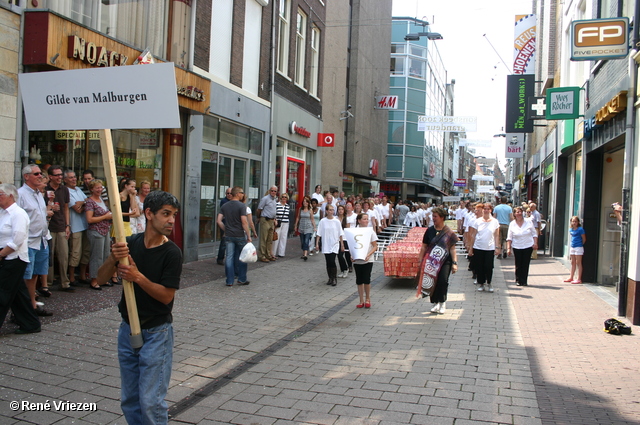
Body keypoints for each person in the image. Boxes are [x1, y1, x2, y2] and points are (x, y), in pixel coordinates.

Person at [97, 190, 182, 425]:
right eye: (166, 214)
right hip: (128, 330)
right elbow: (101, 279)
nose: (171, 220)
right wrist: (113, 258)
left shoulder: (172, 253)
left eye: (174, 215)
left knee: (151, 400)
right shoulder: (131, 243)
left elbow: (166, 296)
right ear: (148, 214)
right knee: (130, 399)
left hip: (157, 333)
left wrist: (137, 277)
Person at [0, 183, 42, 334]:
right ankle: (30, 323)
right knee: (18, 293)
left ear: (11, 196)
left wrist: (1, 254)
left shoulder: (18, 214)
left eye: (0, 195)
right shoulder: (3, 213)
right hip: (6, 255)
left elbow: (17, 240)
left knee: (3, 292)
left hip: (14, 257)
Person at [18, 164, 54, 316]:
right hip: (28, 240)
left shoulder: (39, 194)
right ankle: (22, 308)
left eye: (40, 173)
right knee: (26, 274)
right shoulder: (20, 194)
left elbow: (41, 213)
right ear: (26, 176)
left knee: (35, 274)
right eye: (36, 174)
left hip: (41, 238)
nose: (40, 176)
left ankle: (31, 303)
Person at [416, 207, 458, 314]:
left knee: (443, 281)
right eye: (432, 216)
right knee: (433, 282)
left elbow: (452, 248)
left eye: (435, 216)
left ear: (442, 217)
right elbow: (424, 247)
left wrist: (454, 263)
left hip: (445, 261)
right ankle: (435, 303)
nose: (433, 218)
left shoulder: (448, 232)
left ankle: (442, 302)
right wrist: (420, 260)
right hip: (432, 261)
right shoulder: (429, 231)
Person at [45, 165, 73, 292]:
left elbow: (66, 208)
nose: (59, 177)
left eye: (61, 175)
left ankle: (64, 282)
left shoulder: (64, 189)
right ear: (50, 176)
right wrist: (49, 206)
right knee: (49, 255)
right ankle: (48, 283)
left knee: (64, 255)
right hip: (49, 227)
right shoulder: (45, 189)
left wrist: (67, 225)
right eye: (57, 175)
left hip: (61, 225)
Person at [217, 186, 252, 287]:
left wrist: (225, 229)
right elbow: (244, 222)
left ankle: (229, 280)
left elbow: (218, 221)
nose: (243, 194)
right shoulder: (241, 206)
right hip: (239, 235)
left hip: (229, 235)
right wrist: (248, 235)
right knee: (243, 257)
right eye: (241, 193)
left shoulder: (225, 206)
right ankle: (241, 279)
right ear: (237, 194)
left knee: (229, 257)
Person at [85, 179, 113, 290]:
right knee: (97, 257)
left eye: (101, 187)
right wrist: (105, 217)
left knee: (106, 255)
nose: (99, 189)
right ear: (91, 189)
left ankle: (103, 278)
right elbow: (89, 219)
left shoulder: (101, 199)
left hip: (105, 230)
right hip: (95, 231)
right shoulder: (90, 202)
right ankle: (94, 279)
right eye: (97, 187)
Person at [64, 169, 90, 286]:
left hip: (85, 224)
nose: (74, 179)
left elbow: (89, 202)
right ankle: (71, 277)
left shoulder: (78, 189)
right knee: (75, 252)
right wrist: (83, 204)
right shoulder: (66, 191)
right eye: (70, 177)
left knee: (86, 251)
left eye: (74, 177)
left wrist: (82, 203)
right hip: (75, 226)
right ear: (65, 180)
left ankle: (82, 275)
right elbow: (77, 209)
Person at [468, 203, 500, 292]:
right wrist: (471, 248)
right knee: (479, 266)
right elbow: (473, 235)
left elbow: (496, 235)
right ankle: (481, 283)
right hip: (478, 247)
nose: (486, 210)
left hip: (490, 247)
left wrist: (497, 247)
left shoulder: (495, 221)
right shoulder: (477, 221)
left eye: (488, 209)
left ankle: (489, 282)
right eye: (484, 209)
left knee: (489, 266)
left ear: (490, 210)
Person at [350, 212, 378, 308]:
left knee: (366, 279)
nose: (366, 221)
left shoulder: (370, 231)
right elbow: (352, 245)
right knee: (359, 280)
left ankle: (368, 298)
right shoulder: (354, 231)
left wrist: (369, 254)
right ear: (359, 220)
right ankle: (361, 300)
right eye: (364, 219)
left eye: (367, 219)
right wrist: (351, 255)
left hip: (368, 259)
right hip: (357, 258)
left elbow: (375, 246)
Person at [506, 206, 537, 286]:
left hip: (528, 245)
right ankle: (518, 280)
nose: (519, 213)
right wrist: (508, 248)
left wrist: (535, 243)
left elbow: (534, 233)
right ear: (514, 214)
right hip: (517, 246)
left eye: (520, 212)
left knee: (525, 264)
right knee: (518, 264)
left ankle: (524, 280)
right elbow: (509, 237)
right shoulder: (512, 224)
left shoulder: (528, 222)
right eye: (517, 212)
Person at [316, 204, 344, 286]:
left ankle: (334, 278)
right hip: (326, 243)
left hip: (334, 243)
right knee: (328, 261)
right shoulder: (323, 221)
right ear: (327, 211)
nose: (332, 211)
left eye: (333, 210)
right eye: (330, 210)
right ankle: (330, 278)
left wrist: (342, 244)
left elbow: (340, 233)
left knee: (332, 260)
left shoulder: (336, 221)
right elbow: (319, 233)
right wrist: (317, 243)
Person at [256, 186, 278, 262]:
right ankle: (261, 255)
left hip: (272, 220)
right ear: (269, 191)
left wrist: (275, 219)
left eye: (275, 191)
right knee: (263, 239)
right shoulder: (265, 199)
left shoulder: (275, 199)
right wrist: (259, 217)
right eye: (272, 191)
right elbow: (259, 209)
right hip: (265, 219)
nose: (273, 192)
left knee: (269, 239)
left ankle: (268, 254)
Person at [565, 216, 586, 284]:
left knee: (578, 262)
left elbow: (584, 239)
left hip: (578, 247)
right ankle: (571, 277)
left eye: (575, 221)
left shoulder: (580, 229)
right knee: (572, 262)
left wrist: (580, 244)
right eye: (573, 221)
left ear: (578, 222)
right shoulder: (570, 229)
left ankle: (579, 278)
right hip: (572, 246)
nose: (574, 223)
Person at [294, 196, 315, 261]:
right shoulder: (300, 209)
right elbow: (298, 217)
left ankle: (305, 254)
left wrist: (314, 227)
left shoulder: (310, 210)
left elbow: (312, 219)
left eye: (306, 202)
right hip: (301, 227)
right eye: (304, 201)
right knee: (302, 241)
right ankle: (304, 253)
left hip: (308, 227)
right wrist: (295, 225)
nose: (305, 203)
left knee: (306, 241)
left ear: (308, 203)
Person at [216, 188, 233, 265]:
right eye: (227, 193)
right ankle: (220, 258)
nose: (229, 195)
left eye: (230, 193)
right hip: (225, 222)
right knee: (224, 241)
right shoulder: (224, 201)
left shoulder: (234, 201)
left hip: (231, 223)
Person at [272, 192, 291, 258]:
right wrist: (275, 220)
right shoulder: (277, 205)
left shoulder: (287, 206)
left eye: (285, 197)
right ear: (280, 197)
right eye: (283, 197)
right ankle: (273, 253)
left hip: (285, 223)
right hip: (278, 223)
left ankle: (281, 253)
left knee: (283, 237)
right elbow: (274, 214)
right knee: (276, 237)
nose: (284, 198)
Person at [336, 204, 352, 278]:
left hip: (345, 239)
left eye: (342, 209)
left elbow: (347, 230)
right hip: (337, 239)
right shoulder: (335, 219)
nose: (340, 211)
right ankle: (343, 270)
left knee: (341, 254)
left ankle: (345, 269)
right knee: (339, 255)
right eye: (339, 209)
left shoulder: (347, 219)